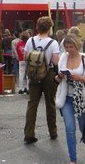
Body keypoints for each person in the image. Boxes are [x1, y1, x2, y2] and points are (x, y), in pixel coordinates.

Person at [54, 33, 85, 164]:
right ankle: (73, 160)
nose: (69, 49)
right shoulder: (63, 58)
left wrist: (79, 78)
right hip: (66, 97)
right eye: (66, 47)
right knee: (69, 128)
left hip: (82, 98)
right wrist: (60, 76)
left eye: (71, 46)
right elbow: (56, 80)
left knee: (84, 127)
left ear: (77, 45)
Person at [23, 16, 60, 144]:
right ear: (49, 28)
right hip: (48, 75)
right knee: (50, 103)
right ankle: (52, 132)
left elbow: (25, 57)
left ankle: (29, 133)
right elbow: (55, 61)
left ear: (38, 27)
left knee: (32, 104)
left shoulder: (30, 41)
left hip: (33, 74)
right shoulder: (53, 43)